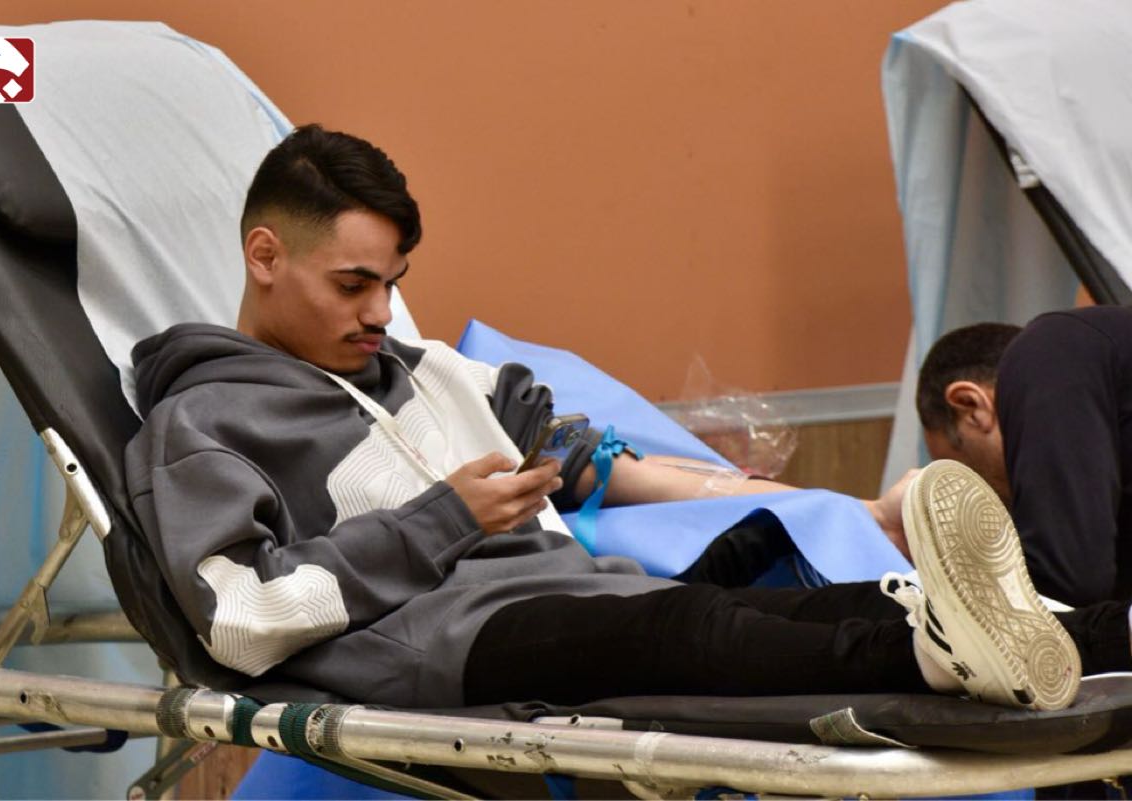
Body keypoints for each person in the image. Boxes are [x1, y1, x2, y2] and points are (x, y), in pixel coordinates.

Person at [124, 125, 1130, 715]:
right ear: (265, 256)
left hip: (572, 589)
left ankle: (1092, 633)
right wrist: (444, 520)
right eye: (354, 285)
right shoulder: (201, 419)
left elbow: (576, 451)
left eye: (393, 283)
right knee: (689, 627)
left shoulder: (430, 374)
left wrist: (780, 493)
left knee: (821, 603)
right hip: (440, 644)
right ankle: (942, 657)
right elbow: (240, 619)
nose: (382, 312)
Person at [918, 308, 1132, 608]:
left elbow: (1067, 581)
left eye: (970, 474)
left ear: (971, 405)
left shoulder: (1051, 347)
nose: (997, 503)